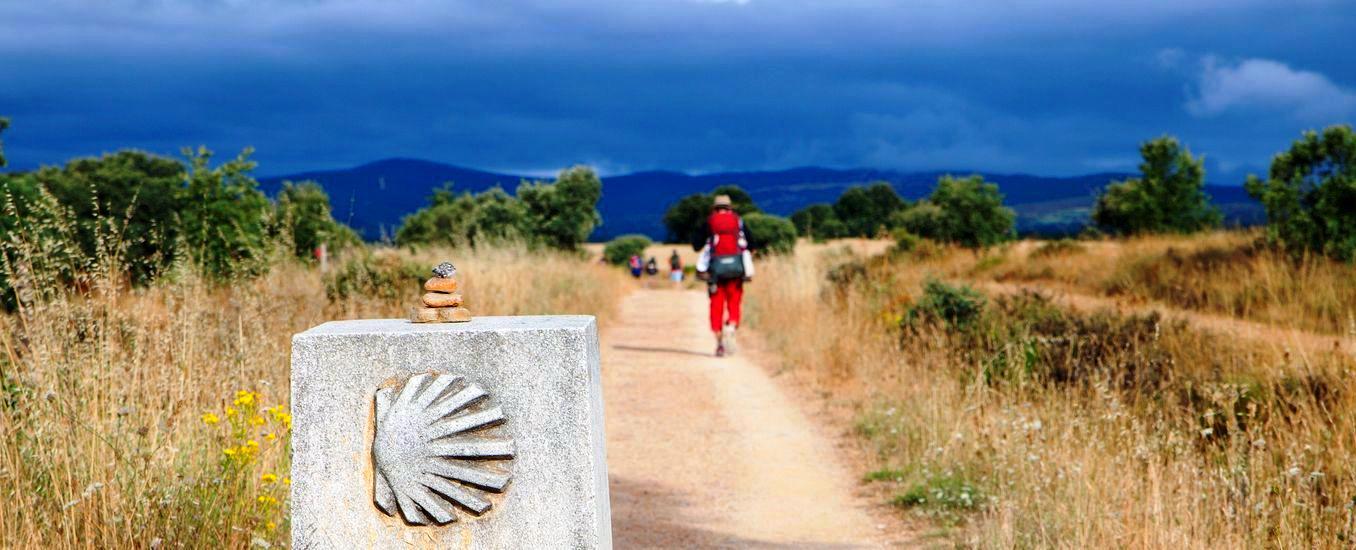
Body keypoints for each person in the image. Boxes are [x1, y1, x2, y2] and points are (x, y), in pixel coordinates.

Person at [695, 194, 753, 357]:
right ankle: (731, 325)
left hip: (715, 272)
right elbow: (751, 243)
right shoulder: (738, 221)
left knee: (716, 306)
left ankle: (720, 344)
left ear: (715, 208)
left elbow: (695, 244)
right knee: (734, 302)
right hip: (736, 272)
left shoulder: (709, 222)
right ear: (729, 208)